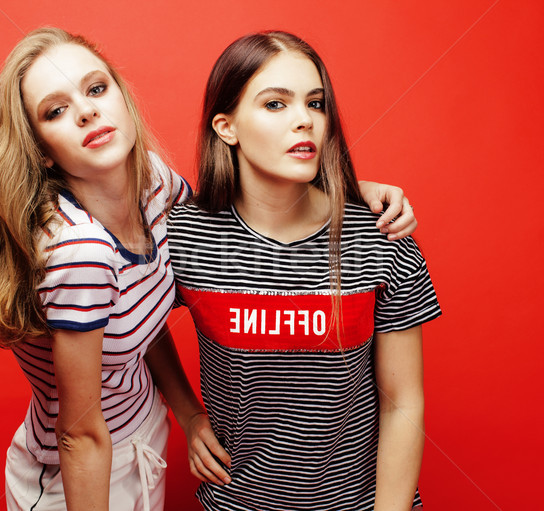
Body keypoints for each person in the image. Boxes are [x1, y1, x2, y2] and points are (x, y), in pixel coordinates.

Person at [0, 27, 418, 511]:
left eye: (95, 89)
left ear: (122, 98)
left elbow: (234, 220)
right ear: (41, 149)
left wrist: (349, 191)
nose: (87, 110)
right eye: (56, 110)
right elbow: (79, 436)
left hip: (146, 431)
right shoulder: (80, 253)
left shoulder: (155, 184)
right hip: (81, 461)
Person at [167, 31, 441, 510]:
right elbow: (133, 320)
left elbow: (403, 403)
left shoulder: (381, 237)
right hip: (236, 501)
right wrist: (189, 414)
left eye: (316, 104)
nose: (305, 121)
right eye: (276, 104)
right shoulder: (186, 236)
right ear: (226, 127)